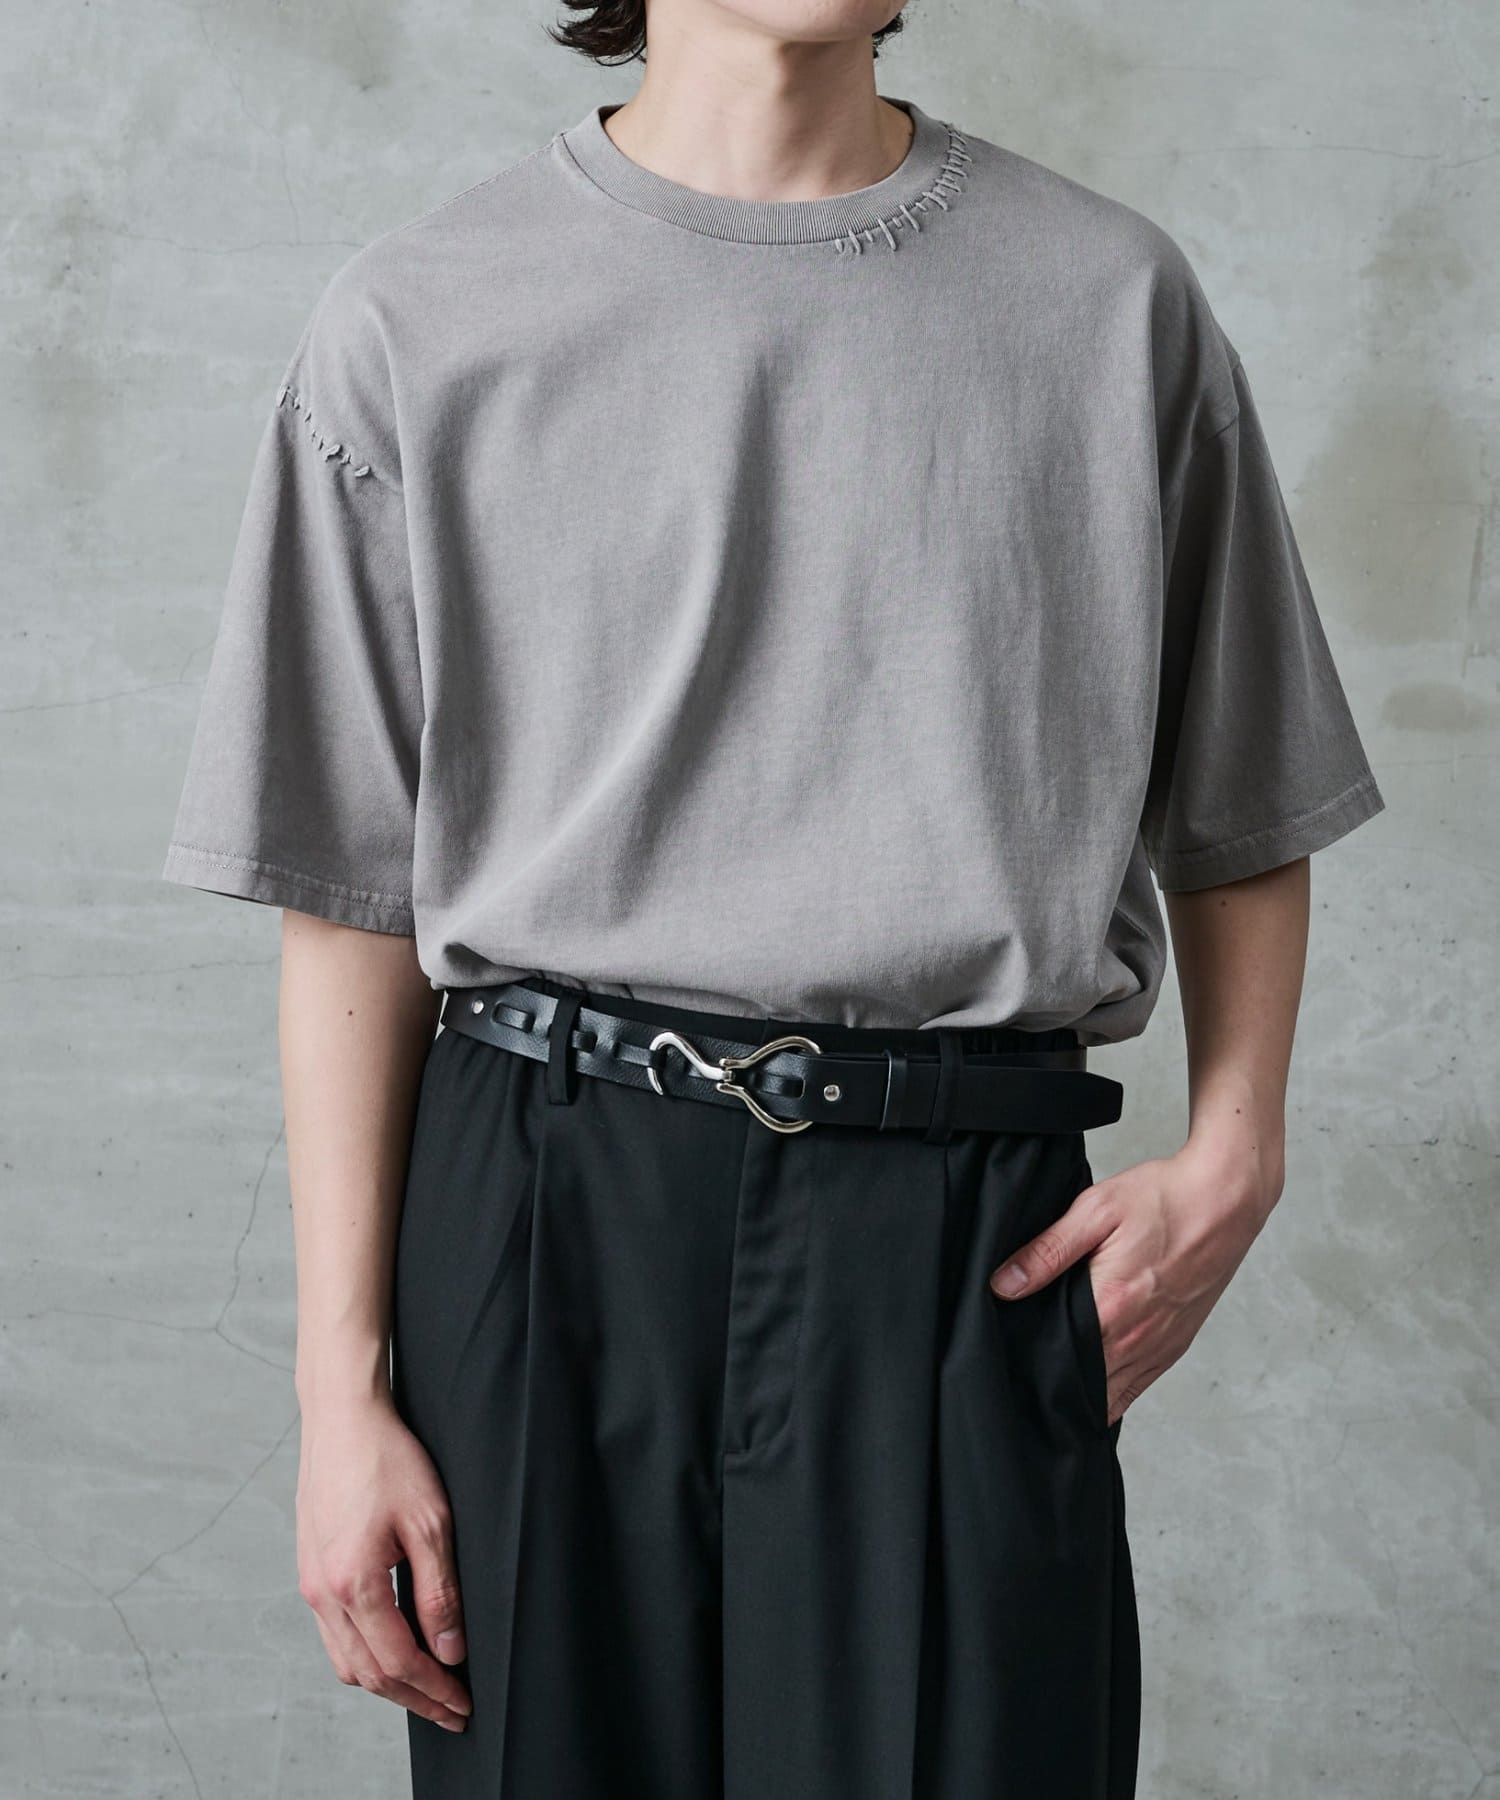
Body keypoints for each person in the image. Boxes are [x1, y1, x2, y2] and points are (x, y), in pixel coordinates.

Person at [160, 2, 1386, 1795]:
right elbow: (349, 893)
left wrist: (1242, 1144)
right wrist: (338, 1392)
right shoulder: (416, 316)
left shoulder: (1111, 302)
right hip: (540, 1213)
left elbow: (1249, 784)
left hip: (956, 1225)